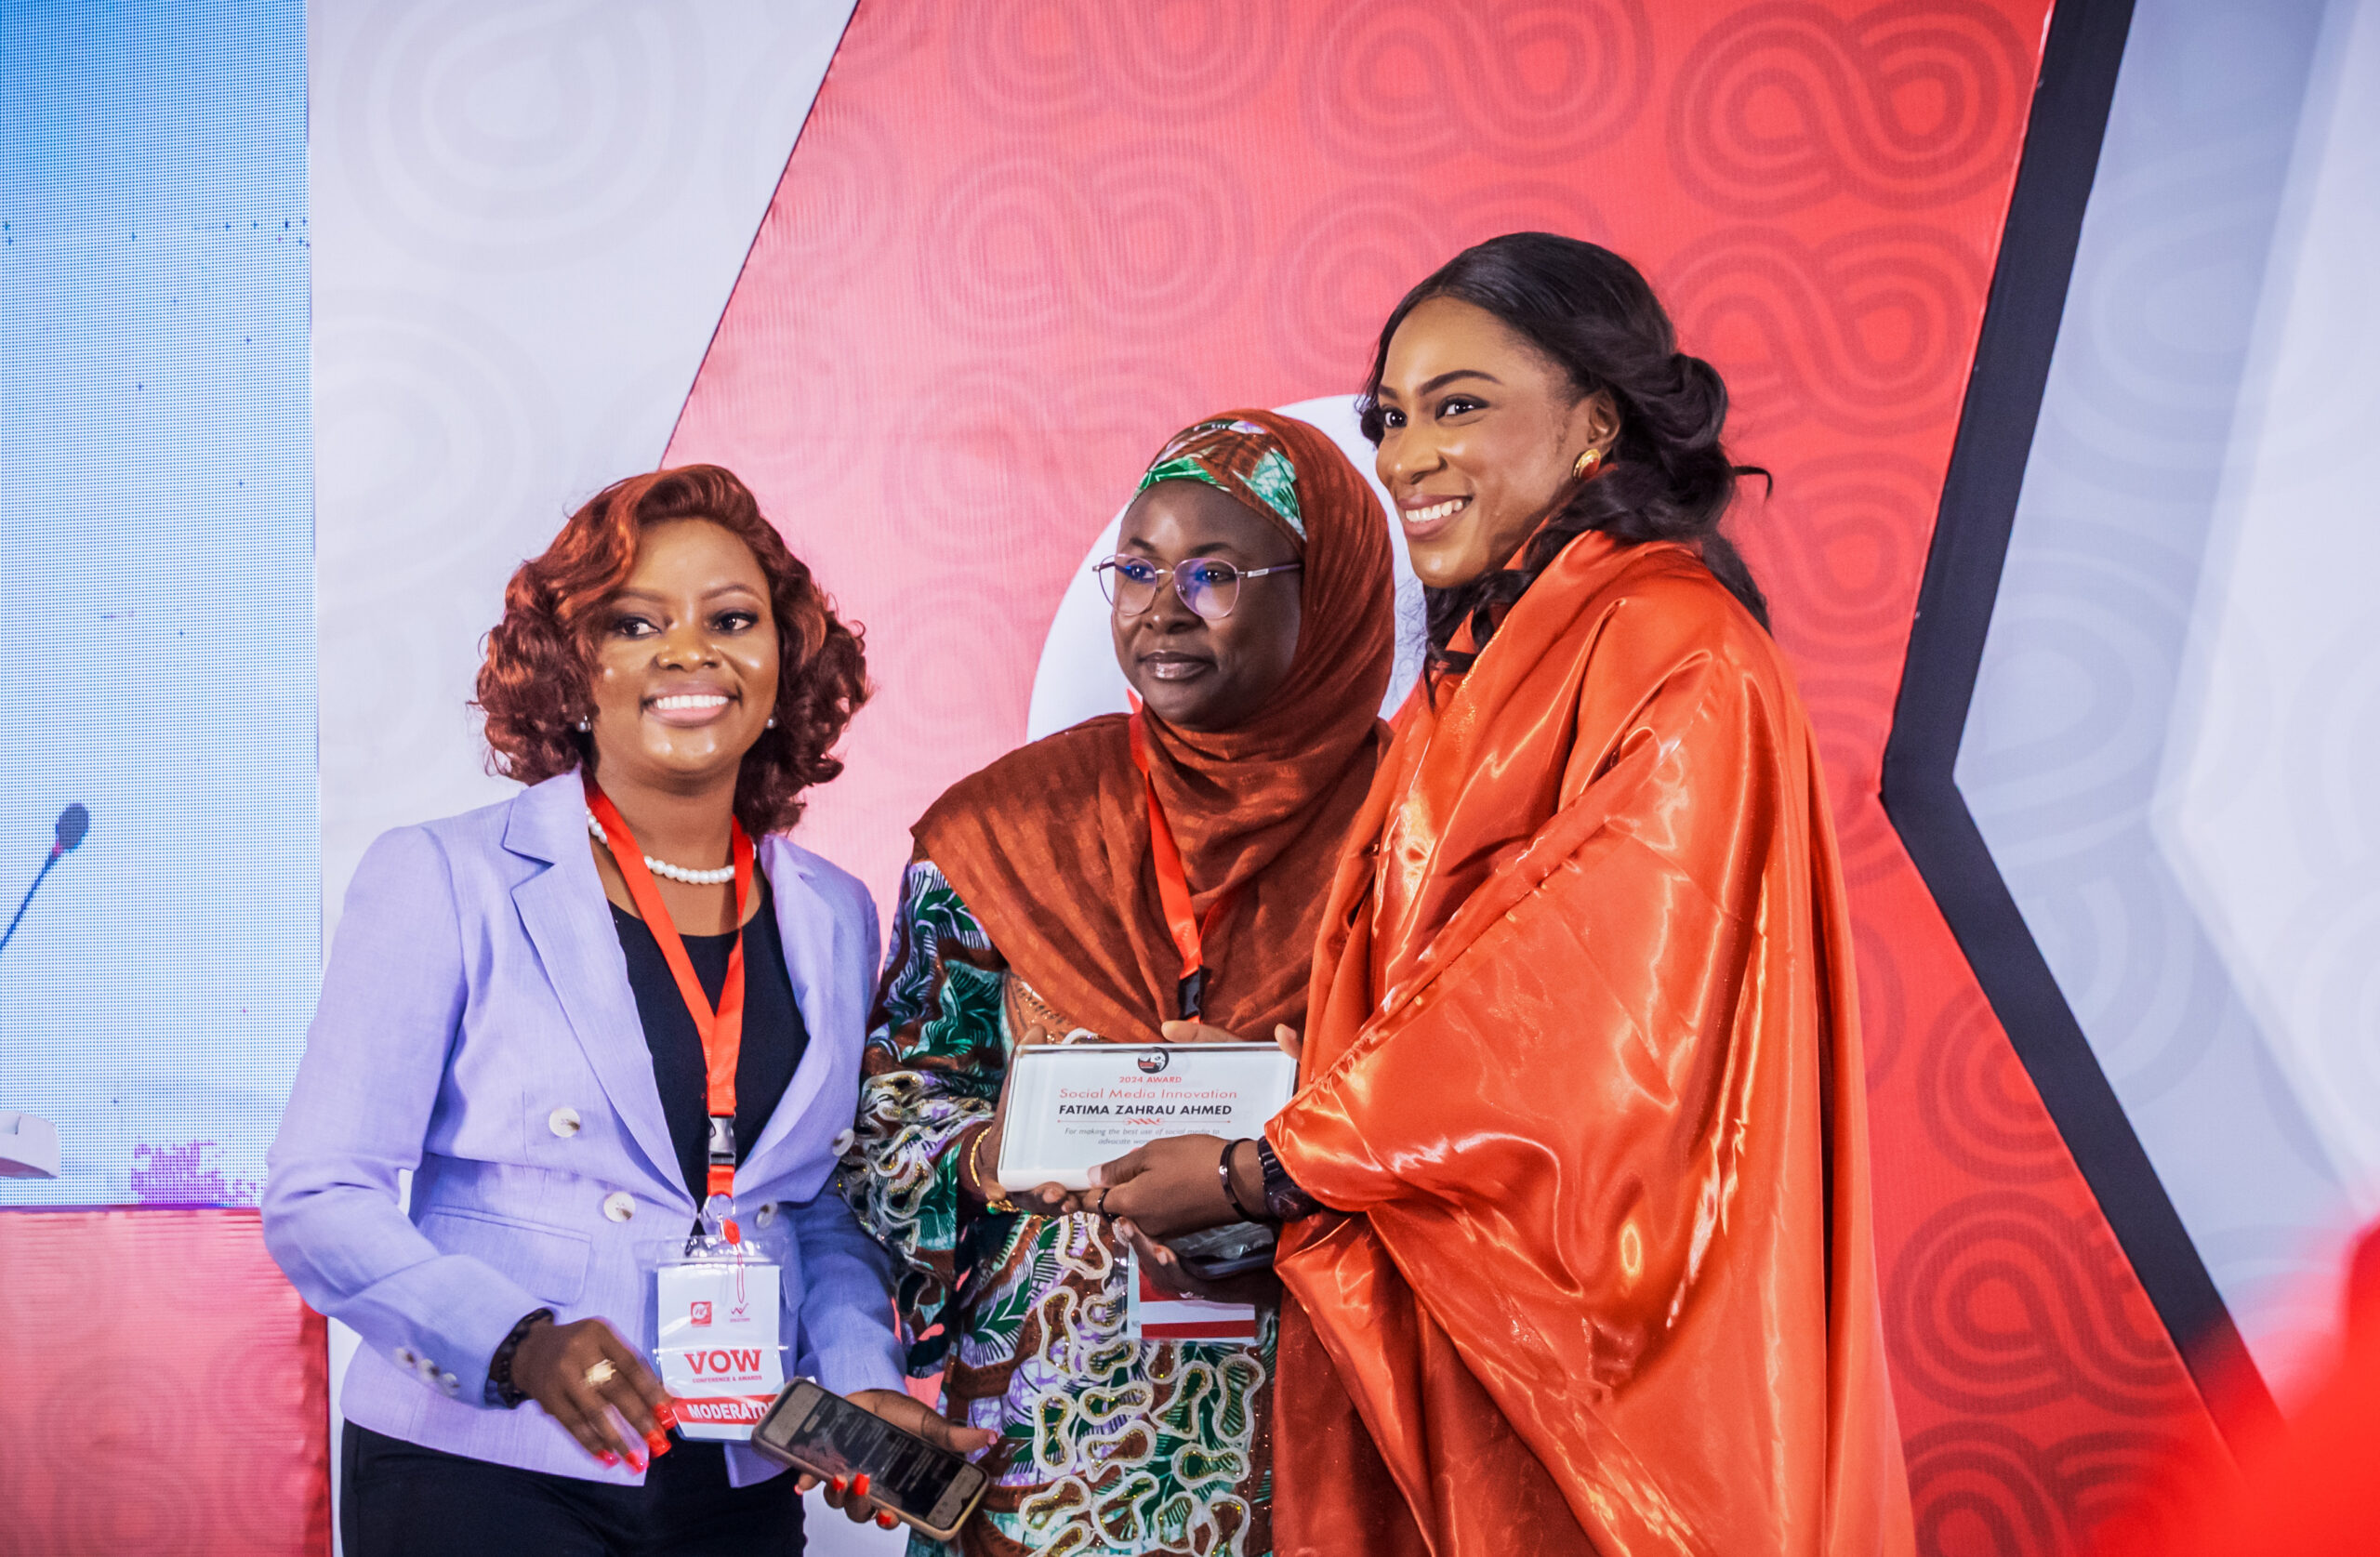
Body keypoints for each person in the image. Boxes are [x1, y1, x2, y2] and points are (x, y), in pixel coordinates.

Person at [1091, 234, 1916, 1555]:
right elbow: (1462, 985)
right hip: (1480, 1310)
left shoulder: (1671, 643)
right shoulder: (1487, 659)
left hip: (1616, 1358)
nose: (1408, 455)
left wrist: (1265, 1164)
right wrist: (1290, 1080)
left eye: (1458, 405)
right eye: (1391, 417)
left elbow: (1572, 1008)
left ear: (1597, 421)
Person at [265, 465, 989, 1556]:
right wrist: (517, 1341)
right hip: (485, 1462)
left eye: (730, 619)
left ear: (783, 658)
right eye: (634, 622)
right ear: (571, 663)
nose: (688, 651)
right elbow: (320, 1196)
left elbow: (814, 1202)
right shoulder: (444, 876)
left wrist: (858, 1382)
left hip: (736, 1470)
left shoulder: (835, 911)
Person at [842, 410, 1395, 1555]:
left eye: (1212, 573)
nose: (1160, 609)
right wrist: (1003, 1154)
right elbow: (891, 1104)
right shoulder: (1007, 827)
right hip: (1050, 1466)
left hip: (1333, 1443)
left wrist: (1281, 1155)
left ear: (1330, 589)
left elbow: (1480, 1122)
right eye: (1137, 570)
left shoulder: (1425, 835)